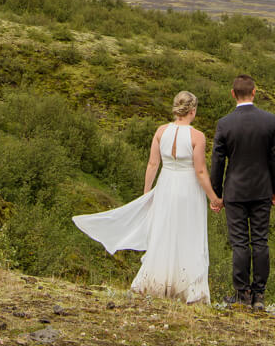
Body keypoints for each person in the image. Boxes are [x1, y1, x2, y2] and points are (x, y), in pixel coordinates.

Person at [72, 91, 223, 304]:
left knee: (163, 233)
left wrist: (147, 192)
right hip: (188, 189)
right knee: (188, 232)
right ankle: (189, 288)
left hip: (165, 185)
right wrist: (214, 197)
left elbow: (153, 164)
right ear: (192, 111)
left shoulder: (161, 131)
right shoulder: (197, 136)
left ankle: (156, 283)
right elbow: (200, 171)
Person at [209, 74, 275, 309]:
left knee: (239, 243)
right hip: (262, 189)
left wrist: (216, 194)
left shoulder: (225, 123)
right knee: (260, 241)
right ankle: (259, 296)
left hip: (235, 191)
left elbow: (218, 161)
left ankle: (242, 294)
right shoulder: (269, 120)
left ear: (233, 94)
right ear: (254, 92)